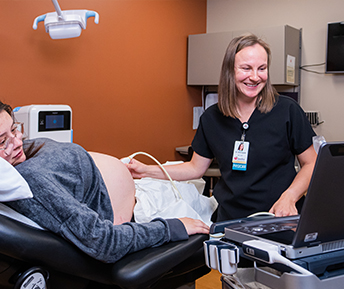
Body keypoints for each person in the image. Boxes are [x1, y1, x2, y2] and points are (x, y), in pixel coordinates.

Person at [0, 94, 209, 263]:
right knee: (204, 203)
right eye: (2, 142)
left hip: (138, 187)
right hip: (145, 210)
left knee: (185, 178)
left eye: (15, 129)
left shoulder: (17, 158)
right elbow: (104, 241)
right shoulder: (29, 183)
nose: (17, 142)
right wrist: (172, 227)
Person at [127, 34, 317, 222]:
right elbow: (194, 168)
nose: (255, 77)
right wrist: (145, 171)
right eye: (246, 68)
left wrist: (289, 196)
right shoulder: (212, 118)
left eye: (262, 68)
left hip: (279, 218)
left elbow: (311, 163)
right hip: (230, 221)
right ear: (230, 71)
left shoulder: (287, 111)